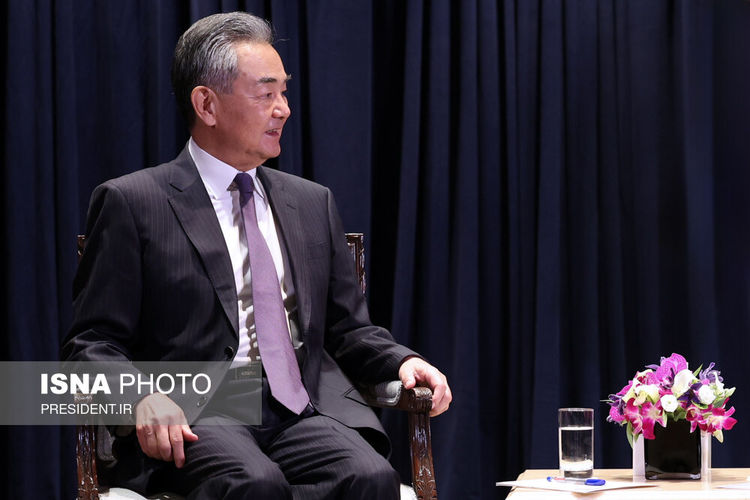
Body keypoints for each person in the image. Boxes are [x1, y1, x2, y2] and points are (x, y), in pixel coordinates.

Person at [62, 11, 451, 500]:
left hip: (299, 410)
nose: (283, 109)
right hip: (197, 412)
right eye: (266, 94)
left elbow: (348, 329)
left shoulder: (311, 202)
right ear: (206, 104)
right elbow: (91, 343)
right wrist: (141, 396)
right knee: (254, 483)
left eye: (284, 93)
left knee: (371, 477)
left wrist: (401, 361)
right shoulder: (134, 202)